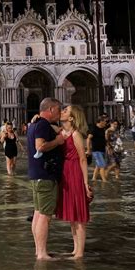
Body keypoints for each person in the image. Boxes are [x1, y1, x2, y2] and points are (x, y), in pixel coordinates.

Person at [27, 97, 65, 260]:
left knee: (38, 214)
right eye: (58, 109)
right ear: (50, 109)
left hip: (37, 174)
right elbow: (40, 146)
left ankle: (38, 250)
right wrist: (57, 141)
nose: (60, 112)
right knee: (44, 215)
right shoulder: (42, 124)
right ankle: (42, 253)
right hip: (45, 174)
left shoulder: (35, 124)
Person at [56, 105, 93, 259]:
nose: (62, 111)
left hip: (75, 173)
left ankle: (80, 253)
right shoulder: (60, 132)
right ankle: (75, 248)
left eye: (65, 111)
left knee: (79, 215)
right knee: (72, 215)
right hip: (65, 173)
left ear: (71, 118)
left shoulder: (76, 134)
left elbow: (83, 159)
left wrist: (85, 183)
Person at [87, 116, 109, 182]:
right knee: (102, 165)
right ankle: (104, 181)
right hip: (96, 150)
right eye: (105, 121)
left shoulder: (102, 128)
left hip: (102, 150)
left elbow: (103, 139)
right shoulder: (94, 129)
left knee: (98, 165)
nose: (106, 123)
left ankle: (94, 178)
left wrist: (107, 146)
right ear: (101, 121)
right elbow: (88, 139)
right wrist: (88, 149)